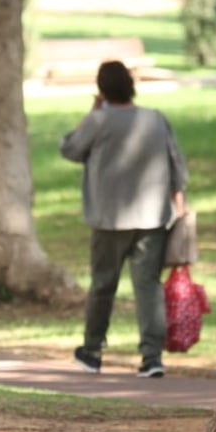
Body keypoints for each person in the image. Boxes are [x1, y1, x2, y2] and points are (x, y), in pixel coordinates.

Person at [60, 60, 187, 379]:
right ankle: (151, 356)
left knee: (103, 283)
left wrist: (91, 112)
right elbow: (176, 167)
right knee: (148, 287)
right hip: (153, 217)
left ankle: (92, 350)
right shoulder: (155, 119)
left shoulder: (99, 120)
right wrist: (180, 209)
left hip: (109, 219)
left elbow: (71, 149)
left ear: (102, 89)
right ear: (131, 85)